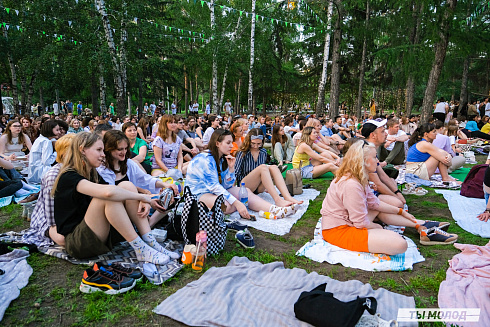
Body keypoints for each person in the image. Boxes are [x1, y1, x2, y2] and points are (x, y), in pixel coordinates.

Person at [52, 132, 172, 264]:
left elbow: (120, 191)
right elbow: (108, 193)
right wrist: (144, 197)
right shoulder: (69, 176)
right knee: (106, 197)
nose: (103, 154)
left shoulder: (92, 172)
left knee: (127, 185)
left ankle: (150, 241)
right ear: (82, 150)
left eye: (103, 150)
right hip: (79, 242)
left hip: (100, 232)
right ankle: (141, 249)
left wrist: (145, 200)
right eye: (98, 150)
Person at [321, 140, 457, 255]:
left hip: (350, 222)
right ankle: (423, 227)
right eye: (374, 157)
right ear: (364, 162)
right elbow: (360, 223)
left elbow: (374, 203)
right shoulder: (351, 184)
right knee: (399, 244)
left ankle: (421, 225)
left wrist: (401, 211)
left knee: (383, 212)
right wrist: (378, 229)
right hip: (338, 230)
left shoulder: (358, 177)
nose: (378, 161)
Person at [186, 129, 297, 219]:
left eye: (232, 142)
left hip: (214, 191)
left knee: (245, 192)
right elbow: (214, 187)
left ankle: (275, 210)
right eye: (228, 143)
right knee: (228, 206)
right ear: (217, 143)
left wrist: (230, 169)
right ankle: (248, 204)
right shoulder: (205, 159)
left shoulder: (222, 158)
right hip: (198, 194)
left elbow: (227, 185)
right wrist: (237, 202)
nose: (231, 146)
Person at [97, 130, 179, 230]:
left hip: (136, 199)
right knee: (128, 187)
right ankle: (144, 228)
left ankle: (147, 225)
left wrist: (165, 185)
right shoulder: (102, 169)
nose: (124, 152)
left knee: (171, 193)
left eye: (126, 148)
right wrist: (143, 197)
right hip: (118, 208)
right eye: (120, 149)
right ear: (109, 149)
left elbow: (146, 179)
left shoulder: (128, 163)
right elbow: (114, 193)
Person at [22, 134, 75, 247]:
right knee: (65, 240)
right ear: (65, 154)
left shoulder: (82, 169)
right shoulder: (53, 176)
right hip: (48, 221)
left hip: (68, 216)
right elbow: (51, 217)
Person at [235, 128, 302, 207]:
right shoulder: (242, 153)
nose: (256, 146)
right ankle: (277, 200)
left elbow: (263, 173)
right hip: (244, 186)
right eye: (253, 143)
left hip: (258, 186)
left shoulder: (263, 152)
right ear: (249, 141)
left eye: (259, 143)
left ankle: (287, 197)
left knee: (273, 167)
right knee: (263, 167)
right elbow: (236, 173)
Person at [27, 120, 61, 184]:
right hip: (42, 174)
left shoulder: (40, 139)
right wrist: (57, 151)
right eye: (57, 130)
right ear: (50, 130)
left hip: (34, 173)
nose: (59, 132)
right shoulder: (46, 142)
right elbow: (47, 161)